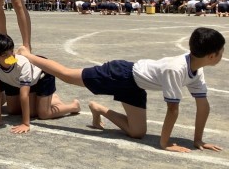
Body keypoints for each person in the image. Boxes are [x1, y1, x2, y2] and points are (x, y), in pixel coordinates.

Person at [16, 27, 225, 152]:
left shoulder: (197, 70)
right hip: (120, 74)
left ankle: (98, 109)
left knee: (137, 132)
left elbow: (203, 106)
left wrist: (198, 140)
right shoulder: (176, 69)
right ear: (212, 56)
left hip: (135, 86)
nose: (223, 53)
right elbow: (172, 109)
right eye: (222, 51)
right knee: (68, 75)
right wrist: (165, 143)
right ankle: (28, 55)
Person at [0, 34, 80, 133]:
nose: (11, 56)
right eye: (5, 55)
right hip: (16, 81)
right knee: (12, 110)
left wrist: (25, 123)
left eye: (12, 51)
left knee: (43, 114)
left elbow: (24, 95)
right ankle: (49, 99)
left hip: (41, 77)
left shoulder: (22, 64)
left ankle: (73, 106)